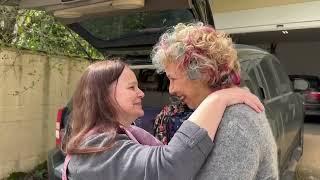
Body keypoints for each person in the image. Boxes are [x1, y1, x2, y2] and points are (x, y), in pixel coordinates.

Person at [62, 59, 264, 180]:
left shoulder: (125, 135)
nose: (141, 93)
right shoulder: (95, 149)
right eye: (132, 87)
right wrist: (218, 99)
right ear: (103, 95)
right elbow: (168, 168)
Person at [151, 22, 278, 179]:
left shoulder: (236, 123)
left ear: (206, 73)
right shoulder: (222, 113)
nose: (171, 89)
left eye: (173, 79)